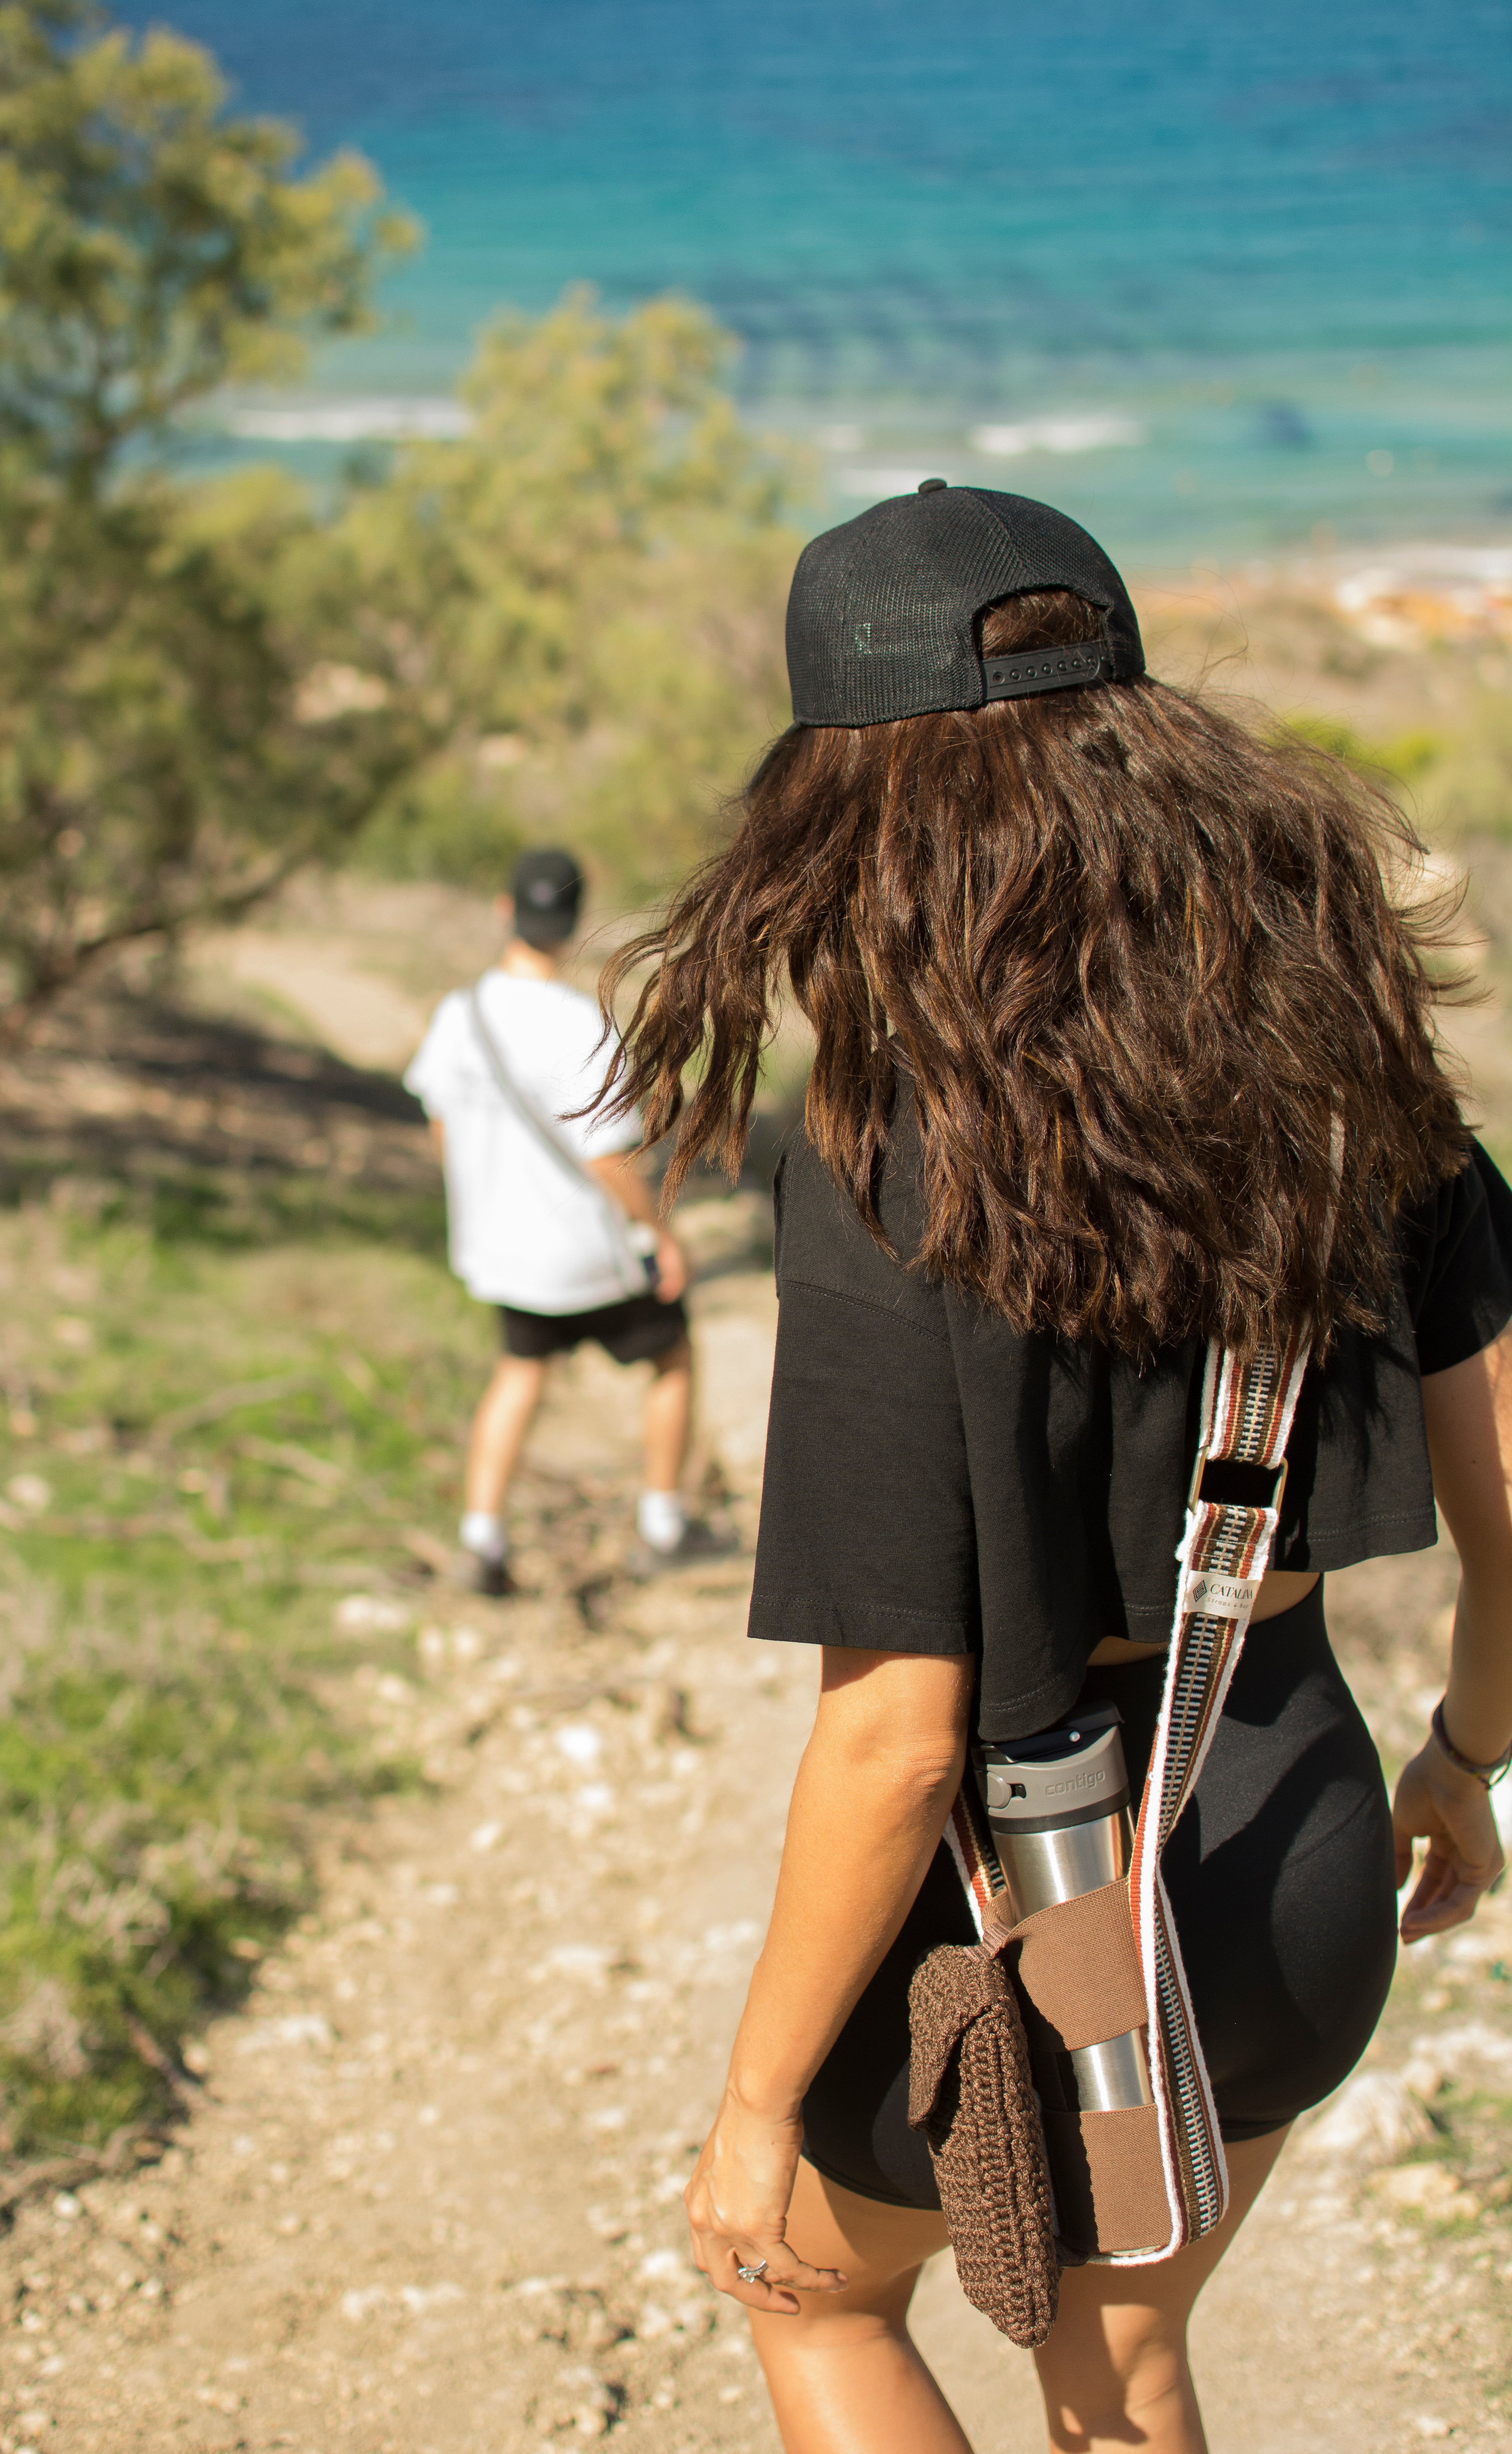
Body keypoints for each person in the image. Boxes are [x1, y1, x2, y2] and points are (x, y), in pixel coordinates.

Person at [598, 483, 1512, 2454]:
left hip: (1018, 1889)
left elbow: (896, 1740)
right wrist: (1463, 1752)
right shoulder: (1356, 1082)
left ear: (842, 792)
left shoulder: (884, 1172)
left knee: (814, 2292)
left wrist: (750, 2109)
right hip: (1291, 1842)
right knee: (1121, 2359)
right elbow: (1509, 1501)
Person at [407, 846, 720, 1593]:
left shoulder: (461, 1014)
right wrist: (660, 1235)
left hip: (507, 1253)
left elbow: (443, 1126)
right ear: (574, 923)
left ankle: (482, 1539)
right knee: (673, 1357)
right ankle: (663, 1525)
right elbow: (608, 1158)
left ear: (504, 910)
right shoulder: (579, 1022)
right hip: (586, 1255)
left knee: (520, 1373)